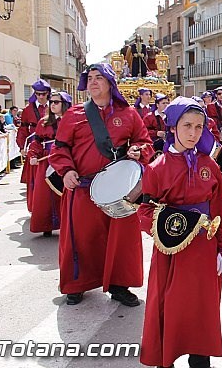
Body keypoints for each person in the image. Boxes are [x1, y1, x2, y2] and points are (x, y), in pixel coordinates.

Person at [138, 97, 222, 368]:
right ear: (172, 127)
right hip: (171, 251)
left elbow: (219, 208)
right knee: (170, 303)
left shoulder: (210, 165)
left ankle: (200, 355)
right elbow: (145, 212)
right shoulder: (157, 168)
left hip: (204, 249)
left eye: (199, 126)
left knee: (201, 305)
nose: (193, 133)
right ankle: (167, 355)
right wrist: (171, 225)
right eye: (187, 126)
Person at [49, 63, 154, 306]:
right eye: (90, 78)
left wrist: (138, 150)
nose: (93, 82)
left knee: (122, 241)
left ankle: (120, 285)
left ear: (110, 83)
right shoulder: (74, 114)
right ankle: (77, 284)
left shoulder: (128, 114)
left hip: (120, 191)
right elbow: (59, 148)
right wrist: (66, 171)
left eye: (99, 78)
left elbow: (145, 142)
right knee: (82, 239)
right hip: (83, 187)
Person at [26, 91, 72, 237]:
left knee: (66, 192)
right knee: (45, 195)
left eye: (56, 102)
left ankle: (67, 224)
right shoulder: (43, 122)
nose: (52, 104)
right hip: (46, 161)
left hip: (67, 160)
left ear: (64, 104)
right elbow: (37, 142)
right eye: (51, 102)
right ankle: (46, 225)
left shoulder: (72, 122)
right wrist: (33, 155)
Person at [18, 79, 51, 212]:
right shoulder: (28, 109)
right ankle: (35, 208)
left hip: (51, 147)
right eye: (38, 94)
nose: (41, 97)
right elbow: (23, 129)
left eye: (43, 94)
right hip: (34, 146)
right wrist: (22, 146)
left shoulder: (54, 106)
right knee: (34, 180)